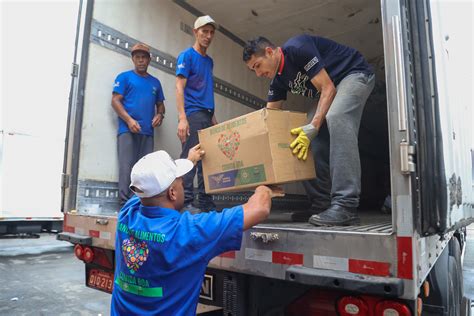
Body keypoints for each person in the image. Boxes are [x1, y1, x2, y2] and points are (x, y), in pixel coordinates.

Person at [110, 144, 279, 315]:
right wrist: (264, 188)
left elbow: (144, 192)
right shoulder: (189, 232)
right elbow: (260, 209)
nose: (183, 183)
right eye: (180, 181)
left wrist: (190, 161)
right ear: (172, 193)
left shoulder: (127, 214)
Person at [243, 35, 375, 226]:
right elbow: (269, 122)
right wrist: (265, 165)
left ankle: (346, 205)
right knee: (299, 135)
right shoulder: (278, 80)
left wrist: (314, 126)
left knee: (336, 117)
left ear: (270, 52)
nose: (258, 74)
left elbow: (328, 88)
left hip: (353, 74)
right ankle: (321, 204)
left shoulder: (298, 48)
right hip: (330, 90)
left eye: (257, 66)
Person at [112, 43, 166, 205]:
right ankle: (124, 204)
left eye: (144, 57)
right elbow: (115, 101)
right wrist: (129, 120)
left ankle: (140, 204)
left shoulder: (155, 83)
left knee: (144, 170)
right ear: (133, 59)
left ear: (149, 59)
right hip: (127, 130)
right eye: (137, 57)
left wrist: (160, 115)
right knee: (126, 166)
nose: (141, 60)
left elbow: (161, 105)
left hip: (147, 132)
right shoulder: (124, 77)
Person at [175, 15, 218, 213]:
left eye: (211, 32)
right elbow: (179, 87)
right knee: (190, 158)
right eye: (204, 31)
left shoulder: (209, 61)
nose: (208, 36)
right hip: (192, 114)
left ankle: (205, 201)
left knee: (207, 160)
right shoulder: (187, 56)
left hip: (207, 116)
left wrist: (213, 119)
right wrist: (182, 118)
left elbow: (207, 90)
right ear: (195, 32)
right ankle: (185, 201)